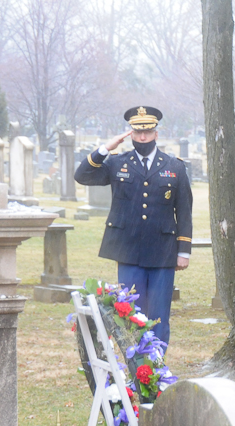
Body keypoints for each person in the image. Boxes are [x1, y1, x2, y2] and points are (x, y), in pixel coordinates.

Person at [75, 106, 192, 344]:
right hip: (128, 252)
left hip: (163, 253)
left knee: (159, 315)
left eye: (147, 132)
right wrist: (105, 149)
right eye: (137, 132)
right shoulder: (117, 163)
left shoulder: (174, 166)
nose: (142, 137)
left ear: (156, 134)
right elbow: (82, 176)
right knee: (129, 313)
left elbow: (185, 211)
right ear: (130, 133)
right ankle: (134, 363)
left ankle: (156, 366)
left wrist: (184, 251)